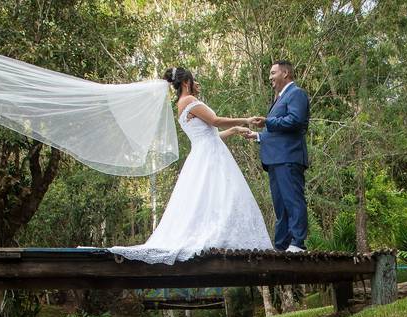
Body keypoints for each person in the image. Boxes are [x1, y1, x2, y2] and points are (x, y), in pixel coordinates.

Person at [110, 67, 274, 264]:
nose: (198, 84)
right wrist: (246, 119)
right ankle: (218, 239)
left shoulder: (181, 104)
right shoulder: (189, 101)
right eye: (194, 80)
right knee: (222, 195)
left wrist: (234, 130)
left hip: (205, 152)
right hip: (209, 157)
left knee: (211, 197)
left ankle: (222, 237)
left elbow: (210, 136)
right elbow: (215, 121)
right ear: (186, 83)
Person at [244, 61, 310, 252]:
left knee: (293, 200)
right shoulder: (279, 98)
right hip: (274, 159)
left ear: (286, 73)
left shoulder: (296, 94)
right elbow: (278, 131)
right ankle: (282, 246)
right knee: (280, 206)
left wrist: (267, 121)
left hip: (289, 158)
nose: (270, 77)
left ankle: (297, 243)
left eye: (273, 73)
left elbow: (296, 120)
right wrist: (257, 135)